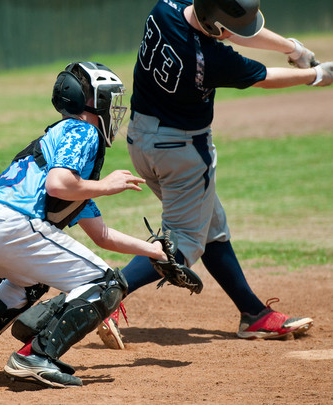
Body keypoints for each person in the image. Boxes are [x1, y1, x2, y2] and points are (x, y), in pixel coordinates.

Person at [97, 0, 333, 349]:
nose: (231, 35)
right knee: (187, 242)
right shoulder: (210, 60)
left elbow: (233, 28)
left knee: (211, 227)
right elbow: (265, 77)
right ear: (213, 26)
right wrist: (315, 75)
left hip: (141, 138)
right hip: (182, 152)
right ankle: (103, 297)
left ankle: (253, 314)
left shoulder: (166, 7)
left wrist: (292, 47)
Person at [0, 61, 173, 389]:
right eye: (108, 99)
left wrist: (155, 252)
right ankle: (35, 356)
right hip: (8, 224)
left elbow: (101, 235)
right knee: (106, 285)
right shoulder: (81, 130)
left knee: (26, 284)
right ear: (88, 102)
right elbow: (59, 185)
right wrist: (108, 185)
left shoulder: (60, 147)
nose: (115, 108)